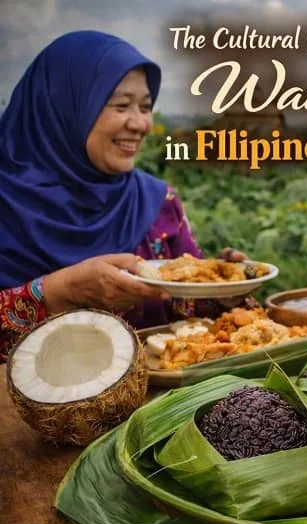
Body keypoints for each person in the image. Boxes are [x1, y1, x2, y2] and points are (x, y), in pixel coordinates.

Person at [0, 31, 240, 362]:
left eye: (145, 107)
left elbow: (191, 309)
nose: (141, 123)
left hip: (154, 408)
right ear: (64, 106)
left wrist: (225, 289)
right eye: (121, 105)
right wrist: (58, 292)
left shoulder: (156, 202)